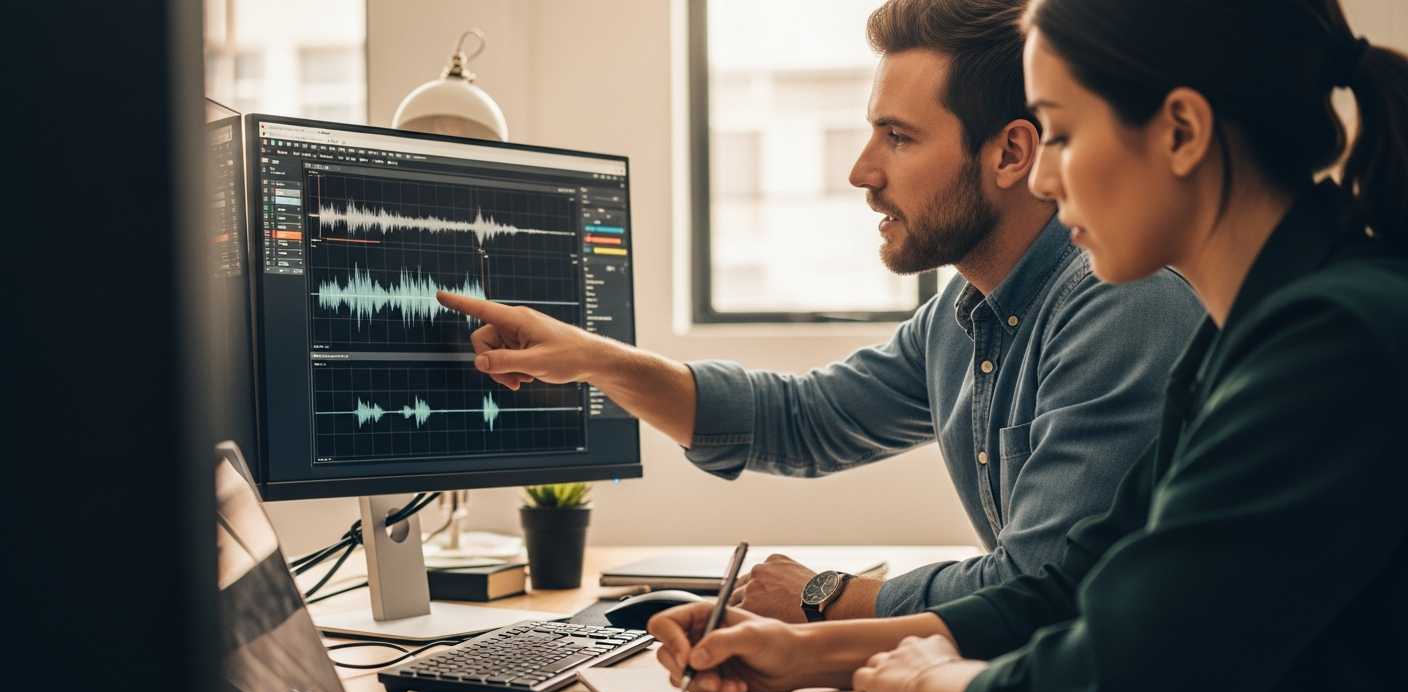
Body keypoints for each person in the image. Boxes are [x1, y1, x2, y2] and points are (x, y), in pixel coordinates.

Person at [646, 0, 1408, 692]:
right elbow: (1073, 587)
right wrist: (804, 652)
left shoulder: (1329, 345)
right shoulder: (1239, 339)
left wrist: (929, 685)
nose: (1042, 174)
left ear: (1181, 132)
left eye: (1064, 134)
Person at [436, 0, 1202, 622]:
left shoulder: (1118, 304)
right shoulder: (958, 319)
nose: (861, 171)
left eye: (897, 138)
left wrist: (826, 596)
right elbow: (799, 420)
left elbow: (1039, 588)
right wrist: (592, 358)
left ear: (1010, 154)